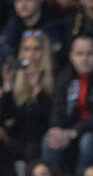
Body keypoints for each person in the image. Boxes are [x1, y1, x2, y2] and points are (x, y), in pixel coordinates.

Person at [43, 35, 93, 176]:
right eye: (79, 54)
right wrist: (55, 129)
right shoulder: (65, 76)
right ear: (71, 56)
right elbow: (58, 109)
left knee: (88, 142)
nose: (84, 59)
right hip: (70, 132)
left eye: (89, 54)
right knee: (49, 141)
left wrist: (72, 133)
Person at [1, 30, 55, 163]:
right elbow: (10, 121)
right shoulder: (15, 79)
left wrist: (37, 88)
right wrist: (7, 86)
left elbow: (45, 119)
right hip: (15, 138)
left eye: (37, 49)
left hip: (38, 139)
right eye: (26, 49)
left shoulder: (55, 78)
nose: (31, 55)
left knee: (32, 147)